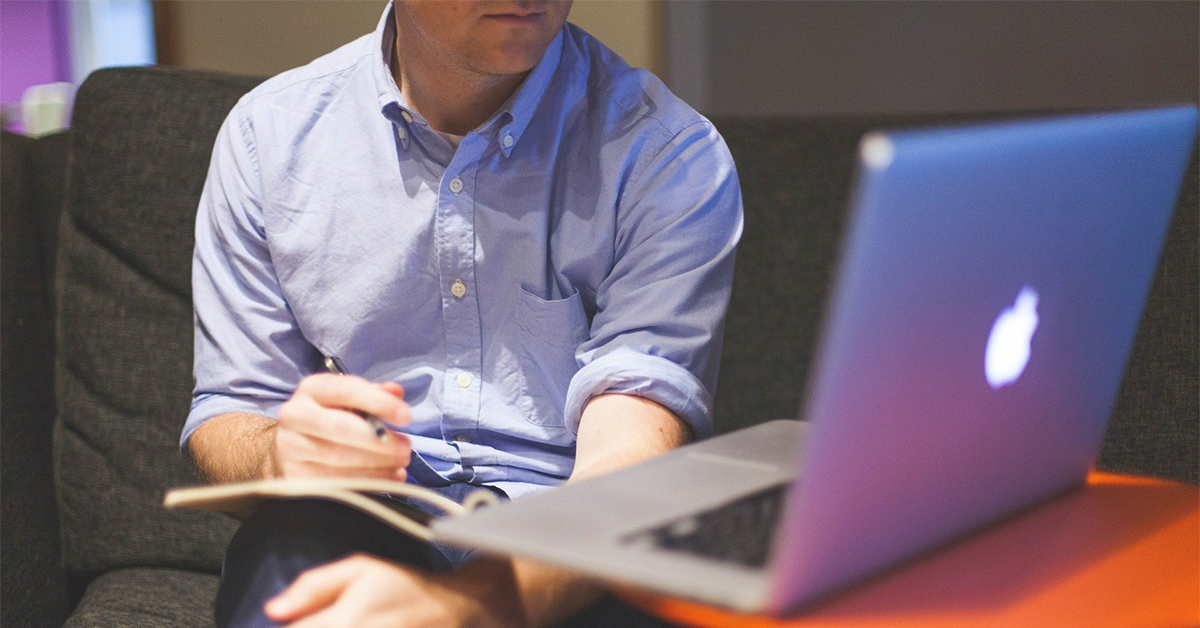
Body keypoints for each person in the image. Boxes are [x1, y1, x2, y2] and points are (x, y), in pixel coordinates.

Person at [183, 1, 743, 626]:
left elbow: (628, 462)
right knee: (291, 565)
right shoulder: (270, 139)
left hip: (570, 522)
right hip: (361, 509)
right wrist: (276, 456)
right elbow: (231, 409)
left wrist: (468, 606)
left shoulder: (666, 154)